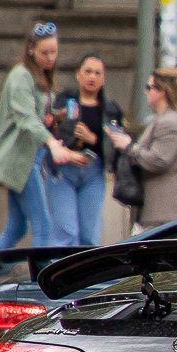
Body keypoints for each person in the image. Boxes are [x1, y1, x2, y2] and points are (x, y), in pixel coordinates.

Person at [0, 22, 81, 295]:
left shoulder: (40, 77)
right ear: (30, 49)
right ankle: (43, 293)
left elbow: (34, 117)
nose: (50, 58)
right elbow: (24, 118)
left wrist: (53, 120)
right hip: (20, 162)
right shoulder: (21, 76)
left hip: (30, 158)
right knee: (43, 227)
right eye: (45, 52)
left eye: (54, 52)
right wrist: (51, 142)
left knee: (16, 227)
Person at [41, 53, 123, 247]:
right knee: (66, 232)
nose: (92, 77)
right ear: (78, 75)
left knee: (89, 235)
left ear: (103, 79)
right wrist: (57, 120)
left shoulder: (110, 109)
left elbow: (117, 145)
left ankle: (86, 275)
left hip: (93, 172)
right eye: (88, 72)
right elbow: (45, 130)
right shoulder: (63, 101)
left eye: (97, 73)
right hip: (63, 171)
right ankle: (61, 274)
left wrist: (93, 139)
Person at [127, 67, 177, 234]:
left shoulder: (170, 122)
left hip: (171, 213)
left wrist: (129, 147)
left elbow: (158, 160)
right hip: (162, 211)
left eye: (149, 87)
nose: (145, 92)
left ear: (162, 92)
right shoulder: (161, 119)